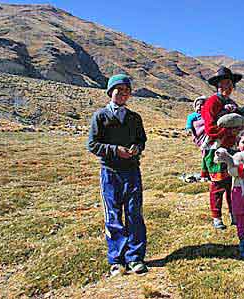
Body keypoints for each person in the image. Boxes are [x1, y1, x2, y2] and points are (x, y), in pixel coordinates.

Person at [87, 74, 148, 276]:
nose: (122, 94)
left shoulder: (134, 118)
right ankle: (116, 260)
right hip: (110, 172)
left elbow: (142, 141)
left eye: (126, 91)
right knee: (112, 214)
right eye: (118, 90)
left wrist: (136, 149)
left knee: (134, 213)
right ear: (110, 91)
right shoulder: (100, 116)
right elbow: (93, 145)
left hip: (131, 171)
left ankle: (135, 258)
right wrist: (115, 150)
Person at [201, 66, 244, 229]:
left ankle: (233, 214)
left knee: (232, 183)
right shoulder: (211, 103)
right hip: (217, 149)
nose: (227, 88)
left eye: (230, 84)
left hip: (233, 150)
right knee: (218, 184)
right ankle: (217, 217)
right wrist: (229, 130)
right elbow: (210, 128)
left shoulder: (232, 104)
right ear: (218, 86)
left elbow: (242, 124)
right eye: (223, 84)